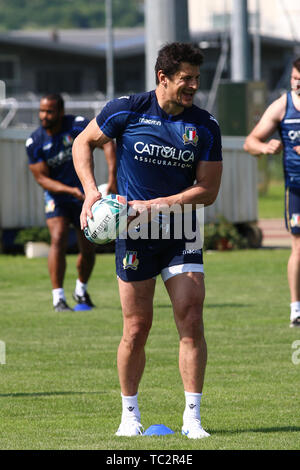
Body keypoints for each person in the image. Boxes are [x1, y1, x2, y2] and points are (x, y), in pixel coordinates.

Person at [72, 43, 223, 438]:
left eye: (196, 78)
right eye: (185, 79)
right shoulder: (127, 109)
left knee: (191, 318)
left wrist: (163, 203)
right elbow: (82, 142)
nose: (193, 86)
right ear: (163, 78)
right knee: (136, 327)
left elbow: (208, 189)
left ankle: (192, 418)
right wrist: (91, 191)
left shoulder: (205, 125)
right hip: (135, 232)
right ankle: (129, 416)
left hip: (181, 228)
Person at [26, 93, 117, 312]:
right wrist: (70, 191)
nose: (44, 115)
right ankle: (58, 298)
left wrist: (113, 177)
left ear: (61, 112)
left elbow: (107, 142)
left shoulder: (76, 126)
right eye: (42, 111)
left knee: (88, 246)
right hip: (58, 197)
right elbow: (42, 179)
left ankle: (81, 291)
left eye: (49, 111)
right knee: (58, 238)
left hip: (85, 196)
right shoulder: (35, 141)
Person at [244, 57, 300, 328]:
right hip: (296, 188)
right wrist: (265, 148)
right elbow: (250, 142)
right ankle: (296, 309)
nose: (297, 83)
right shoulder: (282, 107)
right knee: (298, 247)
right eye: (294, 79)